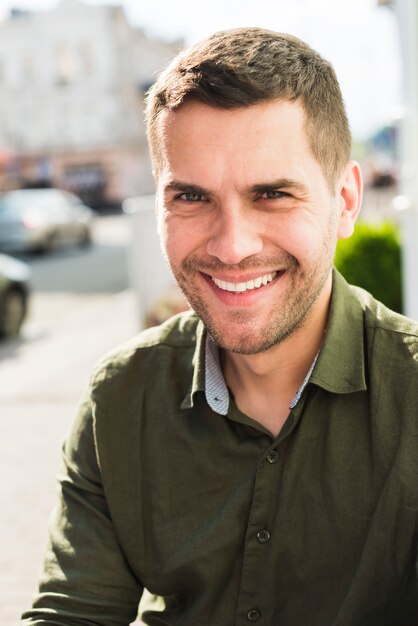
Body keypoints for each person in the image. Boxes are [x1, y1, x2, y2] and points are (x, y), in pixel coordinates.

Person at [22, 27, 418, 626]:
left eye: (273, 194)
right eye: (191, 197)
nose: (232, 247)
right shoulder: (122, 396)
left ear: (344, 200)